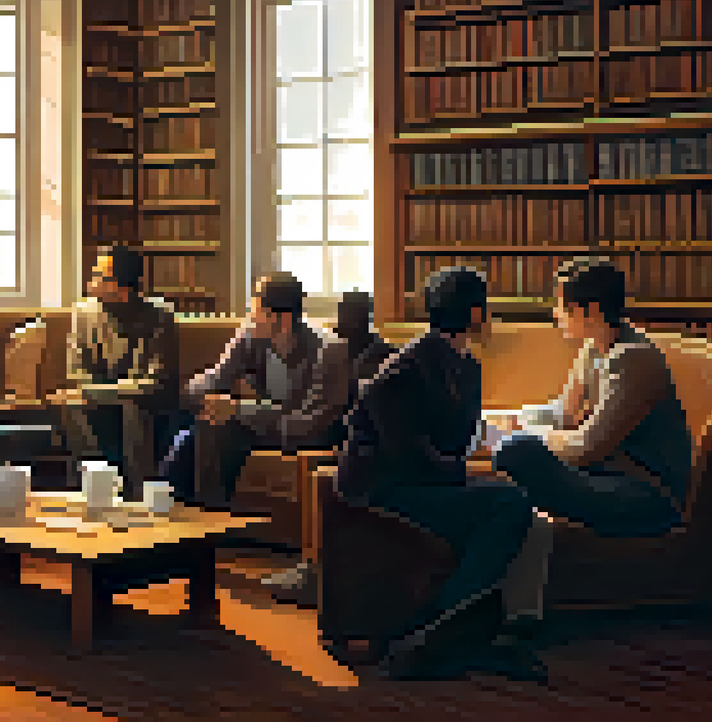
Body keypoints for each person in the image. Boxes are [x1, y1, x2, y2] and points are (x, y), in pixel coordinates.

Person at [336, 266, 548, 681]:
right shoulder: (406, 368)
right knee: (507, 503)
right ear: (475, 314)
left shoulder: (465, 367)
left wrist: (469, 467)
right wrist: (463, 473)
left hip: (424, 480)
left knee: (508, 499)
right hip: (385, 487)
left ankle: (454, 629)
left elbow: (456, 442)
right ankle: (440, 627)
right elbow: (404, 453)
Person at [492, 258, 692, 550]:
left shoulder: (634, 359)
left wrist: (522, 434)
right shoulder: (593, 348)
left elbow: (587, 448)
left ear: (592, 311)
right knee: (512, 453)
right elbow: (564, 413)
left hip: (645, 494)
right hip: (605, 476)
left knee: (515, 453)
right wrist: (501, 418)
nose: (556, 314)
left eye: (564, 307)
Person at [160, 272, 353, 508]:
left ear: (281, 319)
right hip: (267, 427)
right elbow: (217, 378)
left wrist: (238, 409)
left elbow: (309, 427)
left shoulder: (329, 351)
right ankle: (197, 514)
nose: (250, 318)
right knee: (207, 423)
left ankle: (191, 508)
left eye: (256, 311)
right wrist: (204, 397)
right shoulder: (251, 337)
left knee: (213, 426)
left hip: (309, 438)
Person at [262, 289, 397, 606]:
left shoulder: (388, 356)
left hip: (370, 439)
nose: (344, 326)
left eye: (353, 318)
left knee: (331, 465)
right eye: (343, 318)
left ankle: (321, 571)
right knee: (313, 458)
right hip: (334, 432)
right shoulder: (331, 351)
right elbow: (316, 404)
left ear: (367, 320)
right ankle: (312, 565)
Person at [49, 246, 179, 500]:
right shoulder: (83, 314)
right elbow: (76, 374)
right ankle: (97, 486)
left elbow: (153, 384)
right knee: (69, 404)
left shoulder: (160, 317)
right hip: (99, 402)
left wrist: (100, 392)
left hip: (146, 405)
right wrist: (100, 393)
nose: (90, 281)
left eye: (99, 276)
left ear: (122, 289)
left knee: (132, 407)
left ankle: (137, 494)